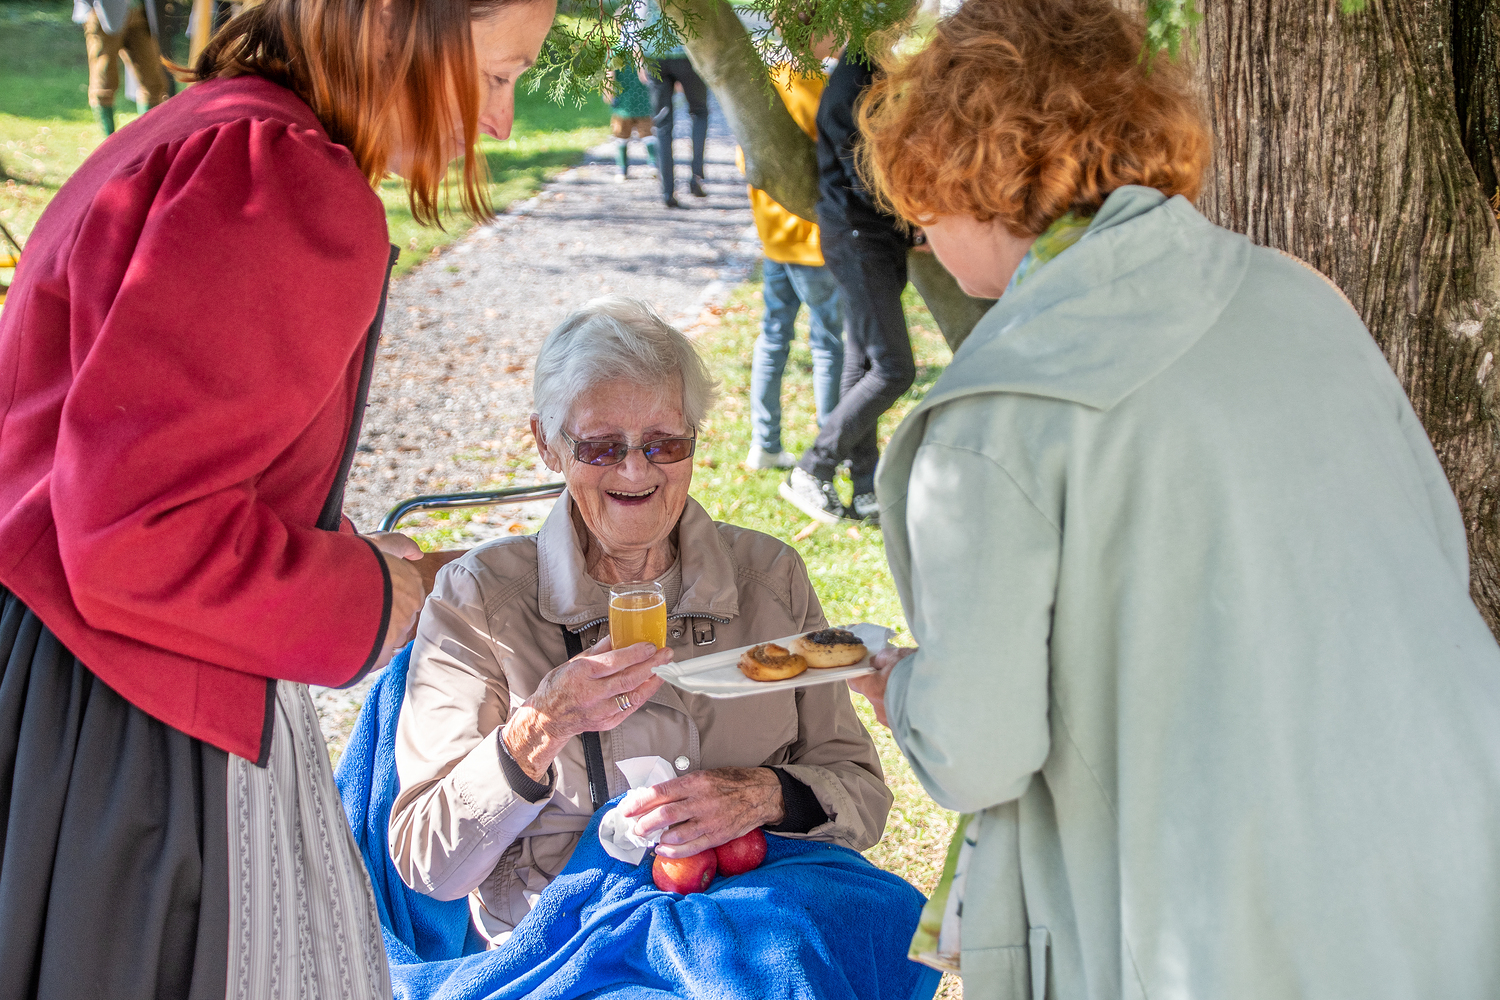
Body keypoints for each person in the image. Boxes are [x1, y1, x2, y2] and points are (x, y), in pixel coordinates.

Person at [846, 0, 1500, 997]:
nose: (920, 231)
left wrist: (902, 687)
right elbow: (1429, 556)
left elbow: (977, 749)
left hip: (1229, 917)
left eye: (919, 196)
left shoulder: (997, 411)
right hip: (1449, 845)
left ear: (965, 167)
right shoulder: (1297, 293)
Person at [0, 0, 555, 993]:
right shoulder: (276, 176)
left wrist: (345, 549)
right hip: (137, 723)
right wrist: (380, 597)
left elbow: (151, 463)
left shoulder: (195, 130)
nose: (502, 123)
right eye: (499, 75)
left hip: (54, 684)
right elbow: (137, 535)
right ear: (394, 24)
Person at [388, 297, 892, 946]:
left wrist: (765, 794)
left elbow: (862, 794)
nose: (635, 470)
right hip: (568, 949)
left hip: (759, 923)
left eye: (664, 443)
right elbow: (428, 863)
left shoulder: (770, 576)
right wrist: (540, 727)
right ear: (546, 443)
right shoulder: (478, 599)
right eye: (601, 447)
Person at [779, 44, 917, 526]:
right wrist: (915, 212)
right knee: (894, 369)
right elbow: (866, 170)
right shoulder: (856, 75)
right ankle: (812, 467)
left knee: (862, 363)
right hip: (859, 237)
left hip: (871, 237)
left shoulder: (872, 68)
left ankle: (865, 488)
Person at [739, 49, 844, 470]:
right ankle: (830, 446)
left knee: (773, 336)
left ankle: (764, 444)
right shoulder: (819, 86)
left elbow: (747, 159)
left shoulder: (762, 84)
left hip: (774, 235)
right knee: (829, 343)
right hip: (813, 239)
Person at [635, 0, 708, 208]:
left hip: (654, 56)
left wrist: (639, 58)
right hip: (687, 54)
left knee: (663, 124)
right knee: (699, 112)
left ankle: (667, 191)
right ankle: (696, 178)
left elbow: (636, 17)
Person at [73, 0, 172, 135]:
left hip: (141, 11)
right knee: (105, 82)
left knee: (154, 82)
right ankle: (108, 141)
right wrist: (93, 7)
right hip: (103, 11)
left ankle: (148, 137)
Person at [603, 55, 656, 181]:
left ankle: (622, 168)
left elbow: (609, 75)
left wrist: (608, 93)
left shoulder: (614, 52)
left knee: (622, 135)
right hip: (642, 101)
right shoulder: (644, 50)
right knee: (646, 133)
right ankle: (653, 164)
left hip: (626, 102)